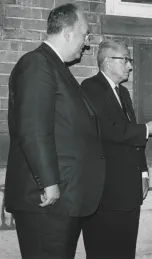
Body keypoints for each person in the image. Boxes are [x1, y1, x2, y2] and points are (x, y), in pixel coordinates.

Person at [4, 3, 106, 259]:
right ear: (68, 33)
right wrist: (49, 183)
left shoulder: (56, 67)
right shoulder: (37, 64)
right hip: (47, 201)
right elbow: (33, 128)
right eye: (85, 35)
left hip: (64, 198)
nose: (86, 43)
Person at [80, 39, 152, 259]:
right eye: (126, 60)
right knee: (103, 252)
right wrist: (147, 129)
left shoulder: (123, 93)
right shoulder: (90, 88)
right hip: (105, 193)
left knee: (126, 251)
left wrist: (144, 173)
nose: (130, 66)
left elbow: (133, 140)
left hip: (129, 192)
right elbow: (109, 130)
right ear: (108, 62)